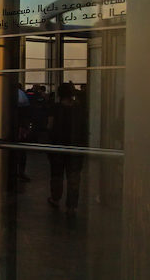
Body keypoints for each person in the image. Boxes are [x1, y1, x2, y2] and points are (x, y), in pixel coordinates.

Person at [46, 82, 88, 217]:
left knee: (57, 175)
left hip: (58, 147)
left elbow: (50, 126)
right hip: (75, 148)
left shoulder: (55, 108)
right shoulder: (79, 109)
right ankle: (72, 206)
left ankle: (55, 198)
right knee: (74, 177)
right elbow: (83, 129)